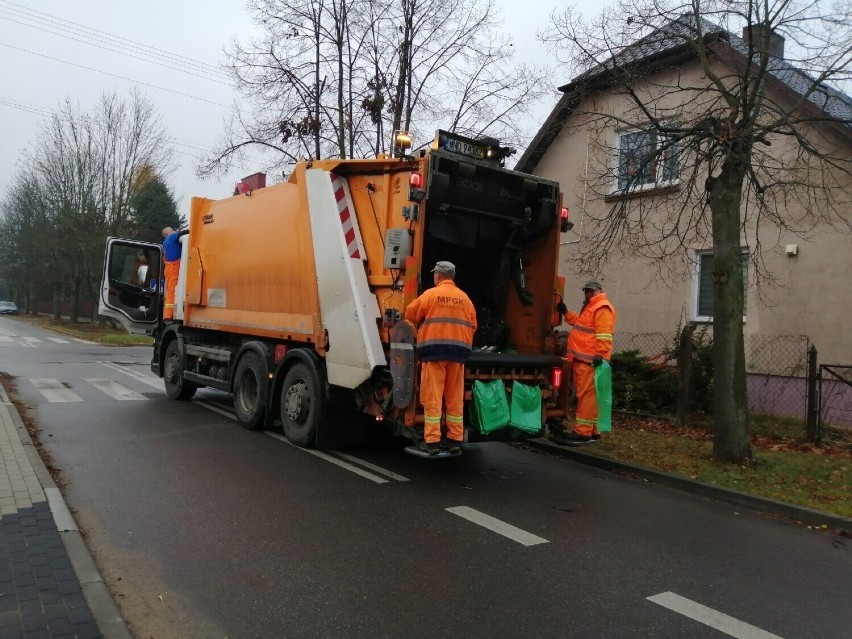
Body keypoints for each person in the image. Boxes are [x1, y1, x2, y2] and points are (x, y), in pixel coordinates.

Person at [405, 261, 477, 455]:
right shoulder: (465, 299)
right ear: (452, 277)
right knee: (454, 398)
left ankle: (432, 441)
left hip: (435, 353)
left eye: (434, 274)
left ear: (438, 275)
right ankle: (454, 440)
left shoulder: (430, 295)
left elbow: (410, 313)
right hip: (458, 354)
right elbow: (473, 325)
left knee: (433, 397)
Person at [553, 280, 617, 445]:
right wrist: (566, 312)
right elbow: (580, 324)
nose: (587, 294)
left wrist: (600, 354)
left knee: (586, 397)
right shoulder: (592, 307)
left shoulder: (601, 307)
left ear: (598, 291)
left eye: (590, 291)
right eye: (586, 291)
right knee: (591, 397)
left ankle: (582, 432)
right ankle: (592, 431)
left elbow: (604, 334)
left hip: (590, 361)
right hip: (587, 360)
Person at [162, 227, 187, 320]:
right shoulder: (171, 237)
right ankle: (168, 315)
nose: (174, 231)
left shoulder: (165, 243)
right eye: (172, 230)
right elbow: (183, 232)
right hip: (173, 267)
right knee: (171, 291)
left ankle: (168, 314)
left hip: (169, 268)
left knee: (171, 290)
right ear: (167, 233)